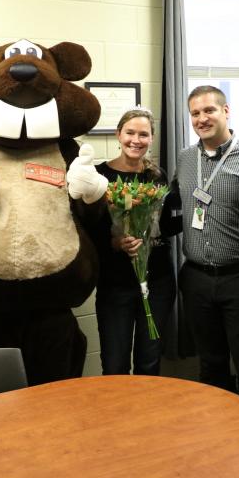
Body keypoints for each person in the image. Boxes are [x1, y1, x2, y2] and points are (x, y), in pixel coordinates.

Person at [168, 85, 239, 409]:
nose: (202, 118)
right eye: (195, 113)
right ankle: (220, 438)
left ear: (226, 111)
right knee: (210, 364)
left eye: (209, 110)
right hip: (196, 278)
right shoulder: (185, 160)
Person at [92, 107, 176, 375]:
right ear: (118, 134)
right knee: (115, 363)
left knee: (149, 361)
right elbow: (87, 231)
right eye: (130, 133)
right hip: (115, 285)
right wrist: (115, 244)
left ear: (152, 138)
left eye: (143, 134)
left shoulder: (157, 177)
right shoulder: (98, 177)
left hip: (157, 282)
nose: (135, 140)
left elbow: (167, 225)